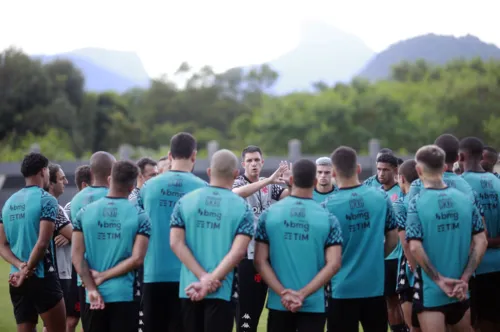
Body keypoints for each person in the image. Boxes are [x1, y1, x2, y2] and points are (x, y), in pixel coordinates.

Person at [170, 149, 254, 332]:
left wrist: (202, 277)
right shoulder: (243, 208)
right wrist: (211, 280)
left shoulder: (184, 202)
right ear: (236, 173)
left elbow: (176, 243)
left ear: (209, 171)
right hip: (222, 288)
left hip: (189, 287)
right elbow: (239, 252)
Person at [254, 159, 343, 332]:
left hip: (279, 302)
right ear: (315, 182)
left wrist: (283, 293)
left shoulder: (269, 214)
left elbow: (259, 260)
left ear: (291, 180)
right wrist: (302, 294)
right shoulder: (328, 218)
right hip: (314, 303)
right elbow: (334, 263)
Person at [406, 144, 487, 332]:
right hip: (461, 289)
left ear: (418, 170)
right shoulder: (465, 200)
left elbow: (414, 247)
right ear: (444, 168)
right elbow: (481, 240)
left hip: (431, 292)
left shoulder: (416, 204)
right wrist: (465, 277)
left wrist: (439, 280)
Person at [322, 146, 399, 332]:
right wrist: (376, 256)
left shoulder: (327, 206)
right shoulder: (380, 197)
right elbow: (393, 236)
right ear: (358, 168)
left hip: (340, 289)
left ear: (333, 172)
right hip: (374, 286)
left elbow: (321, 249)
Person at [139, 132, 207, 332]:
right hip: (189, 276)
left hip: (154, 272)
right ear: (194, 156)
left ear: (169, 156)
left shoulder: (148, 187)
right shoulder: (203, 188)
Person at [72, 161, 151, 332]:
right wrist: (103, 276)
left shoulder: (84, 213)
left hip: (92, 296)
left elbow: (77, 256)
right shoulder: (140, 216)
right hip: (125, 294)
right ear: (132, 187)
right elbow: (137, 259)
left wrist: (92, 287)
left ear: (110, 179)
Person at [0, 152, 66, 332]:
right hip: (41, 275)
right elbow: (43, 242)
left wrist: (20, 267)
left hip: (16, 279)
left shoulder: (8, 203)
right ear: (44, 171)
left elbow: (2, 245)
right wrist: (28, 269)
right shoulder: (47, 200)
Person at [231, 145, 290, 332]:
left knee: (266, 310)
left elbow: (289, 196)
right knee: (246, 315)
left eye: (257, 160)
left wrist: (290, 182)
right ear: (243, 164)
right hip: (246, 259)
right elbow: (238, 194)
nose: (254, 164)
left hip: (267, 258)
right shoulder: (239, 182)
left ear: (262, 162)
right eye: (249, 160)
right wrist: (269, 180)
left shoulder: (270, 185)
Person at [70, 151, 116, 326]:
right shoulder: (115, 198)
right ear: (112, 171)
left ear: (91, 171)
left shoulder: (76, 200)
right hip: (113, 276)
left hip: (84, 277)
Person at [459, 137, 500, 332]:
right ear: (482, 155)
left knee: (476, 324)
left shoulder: (459, 185)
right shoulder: (497, 182)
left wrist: (481, 243)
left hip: (475, 268)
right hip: (498, 264)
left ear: (460, 156)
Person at [43, 164, 77, 332]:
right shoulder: (54, 208)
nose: (66, 181)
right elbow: (76, 236)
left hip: (43, 271)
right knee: (57, 324)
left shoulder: (43, 204)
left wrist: (67, 235)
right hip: (58, 273)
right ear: (51, 183)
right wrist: (70, 234)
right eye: (62, 178)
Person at [376, 153, 406, 332]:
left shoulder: (402, 192)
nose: (381, 174)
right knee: (388, 300)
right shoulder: (374, 192)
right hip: (382, 256)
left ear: (395, 171)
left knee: (400, 299)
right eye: (378, 169)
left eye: (385, 170)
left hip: (400, 255)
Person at [63, 164, 91, 332]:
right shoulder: (69, 208)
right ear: (85, 186)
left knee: (90, 319)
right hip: (75, 270)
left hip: (92, 267)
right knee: (72, 320)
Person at [394, 160, 420, 330]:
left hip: (411, 267)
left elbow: (405, 241)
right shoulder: (426, 198)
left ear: (401, 178)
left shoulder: (400, 204)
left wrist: (413, 264)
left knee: (413, 326)